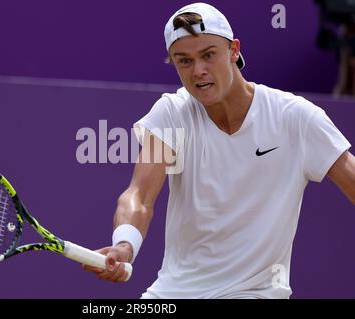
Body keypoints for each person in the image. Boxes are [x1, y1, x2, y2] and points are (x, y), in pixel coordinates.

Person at [83, 2, 355, 298]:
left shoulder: (296, 117)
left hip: (254, 293)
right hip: (171, 294)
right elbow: (140, 195)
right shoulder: (171, 112)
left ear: (234, 50)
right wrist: (125, 244)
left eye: (208, 55)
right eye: (184, 61)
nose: (198, 71)